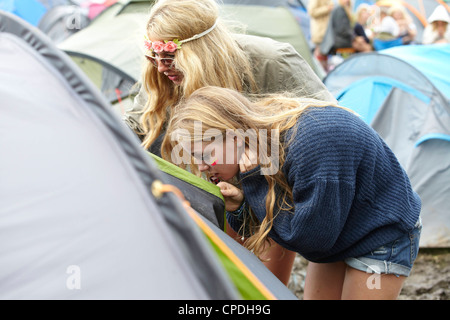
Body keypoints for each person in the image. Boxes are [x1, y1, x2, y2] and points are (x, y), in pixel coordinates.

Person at [123, 0, 336, 285]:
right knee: (220, 284)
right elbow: (137, 127)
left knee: (260, 288)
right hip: (210, 189)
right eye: (153, 58)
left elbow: (329, 128)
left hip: (271, 191)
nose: (161, 68)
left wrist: (261, 160)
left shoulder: (272, 61)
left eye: (171, 58)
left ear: (199, 50)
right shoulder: (162, 76)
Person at [162, 86, 422, 300]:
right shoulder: (255, 143)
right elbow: (278, 219)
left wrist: (253, 183)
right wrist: (241, 205)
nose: (202, 167)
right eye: (194, 158)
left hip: (380, 235)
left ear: (233, 136)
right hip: (337, 230)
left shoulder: (309, 147)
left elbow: (309, 241)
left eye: (206, 155)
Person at [308, 0, 334, 70]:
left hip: (327, 31)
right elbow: (311, 12)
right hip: (319, 30)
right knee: (319, 53)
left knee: (325, 53)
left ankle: (324, 73)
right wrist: (327, 8)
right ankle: (318, 73)